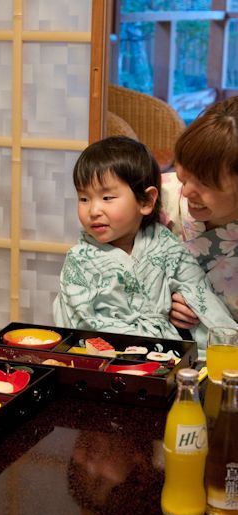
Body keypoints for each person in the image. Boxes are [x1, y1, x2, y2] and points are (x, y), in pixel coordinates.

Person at [52, 136, 236, 353]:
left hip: (167, 354)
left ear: (147, 201)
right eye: (84, 199)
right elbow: (81, 320)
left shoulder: (164, 243)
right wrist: (137, 345)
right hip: (109, 356)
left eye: (107, 197)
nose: (93, 211)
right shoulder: (80, 259)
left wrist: (229, 343)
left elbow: (200, 292)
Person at [161, 96, 238, 328]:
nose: (186, 192)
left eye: (204, 182)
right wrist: (162, 303)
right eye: (184, 174)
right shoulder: (157, 199)